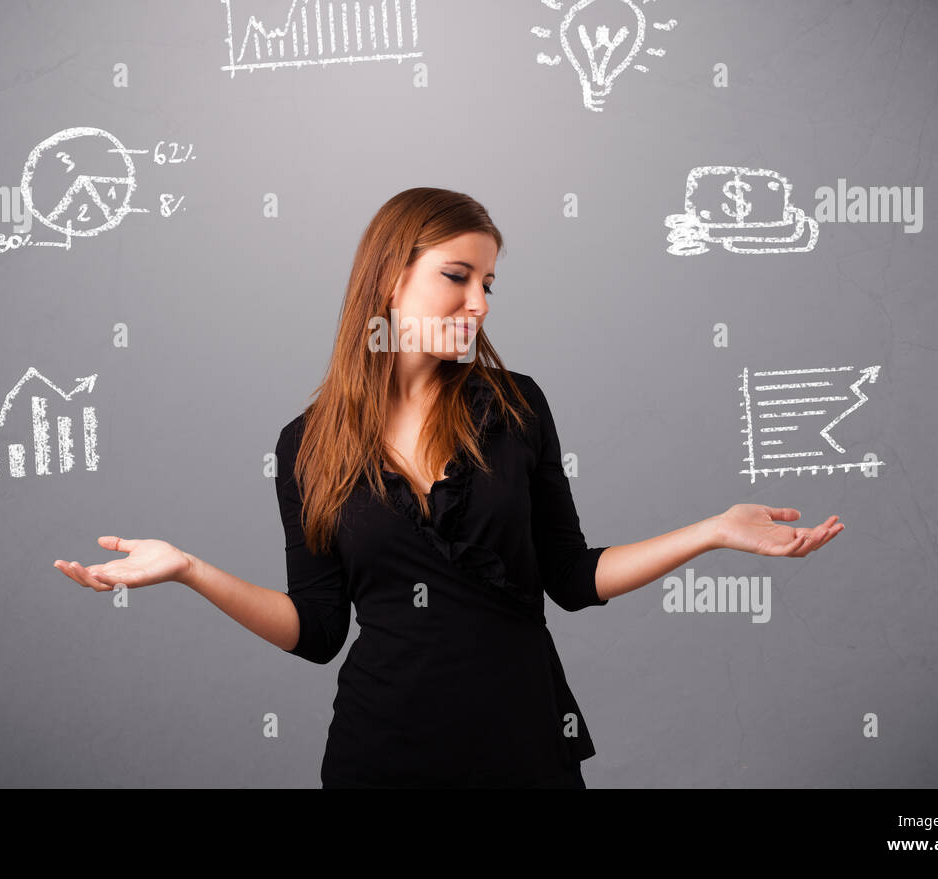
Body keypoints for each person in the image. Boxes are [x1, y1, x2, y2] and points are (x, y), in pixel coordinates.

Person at [54, 187, 844, 788]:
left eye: (490, 282)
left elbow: (571, 577)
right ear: (391, 280)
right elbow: (319, 629)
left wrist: (711, 530)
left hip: (525, 745)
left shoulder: (516, 406)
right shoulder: (306, 445)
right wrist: (191, 569)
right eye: (458, 276)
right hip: (382, 754)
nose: (481, 302)